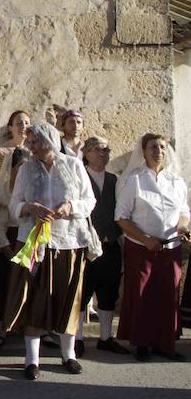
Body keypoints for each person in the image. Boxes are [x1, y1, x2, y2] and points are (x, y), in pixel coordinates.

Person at [4, 122, 97, 380]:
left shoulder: (73, 165)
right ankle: (32, 360)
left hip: (68, 242)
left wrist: (70, 207)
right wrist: (29, 207)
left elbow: (89, 201)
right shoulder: (26, 170)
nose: (31, 147)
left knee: (68, 298)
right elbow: (14, 204)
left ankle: (69, 355)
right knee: (34, 298)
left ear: (50, 140)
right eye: (30, 142)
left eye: (36, 142)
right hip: (34, 243)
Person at [115, 133, 190, 361]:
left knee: (168, 294)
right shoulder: (134, 181)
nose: (159, 151)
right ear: (144, 151)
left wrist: (183, 227)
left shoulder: (176, 181)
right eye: (153, 147)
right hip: (141, 247)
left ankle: (165, 344)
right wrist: (146, 238)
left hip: (171, 247)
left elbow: (184, 211)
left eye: (162, 147)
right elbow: (121, 217)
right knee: (142, 294)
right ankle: (143, 344)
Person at [75, 137, 129, 356]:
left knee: (109, 292)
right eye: (97, 149)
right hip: (86, 247)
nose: (102, 153)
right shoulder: (80, 177)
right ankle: (77, 338)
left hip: (110, 244)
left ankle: (106, 337)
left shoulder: (116, 180)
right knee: (83, 292)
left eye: (106, 150)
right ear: (86, 153)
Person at [0, 145, 29, 349]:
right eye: (20, 166)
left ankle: (35, 328)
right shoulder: (2, 192)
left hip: (28, 241)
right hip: (8, 243)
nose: (23, 171)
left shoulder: (32, 189)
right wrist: (7, 250)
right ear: (11, 168)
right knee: (2, 283)